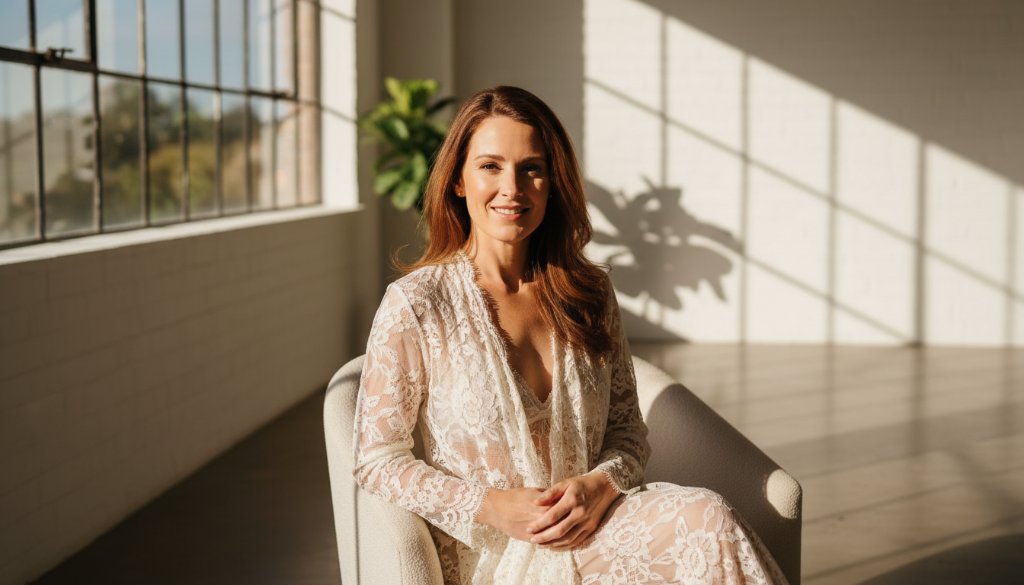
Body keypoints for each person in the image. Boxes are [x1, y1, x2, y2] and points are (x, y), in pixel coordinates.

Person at [351, 86, 786, 584]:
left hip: (597, 529)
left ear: (552, 184)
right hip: (496, 555)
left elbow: (627, 433)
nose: (512, 188)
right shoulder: (417, 303)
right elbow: (376, 460)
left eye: (531, 168)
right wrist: (490, 505)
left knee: (708, 519)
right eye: (490, 166)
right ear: (457, 181)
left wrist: (599, 486)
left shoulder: (589, 292)